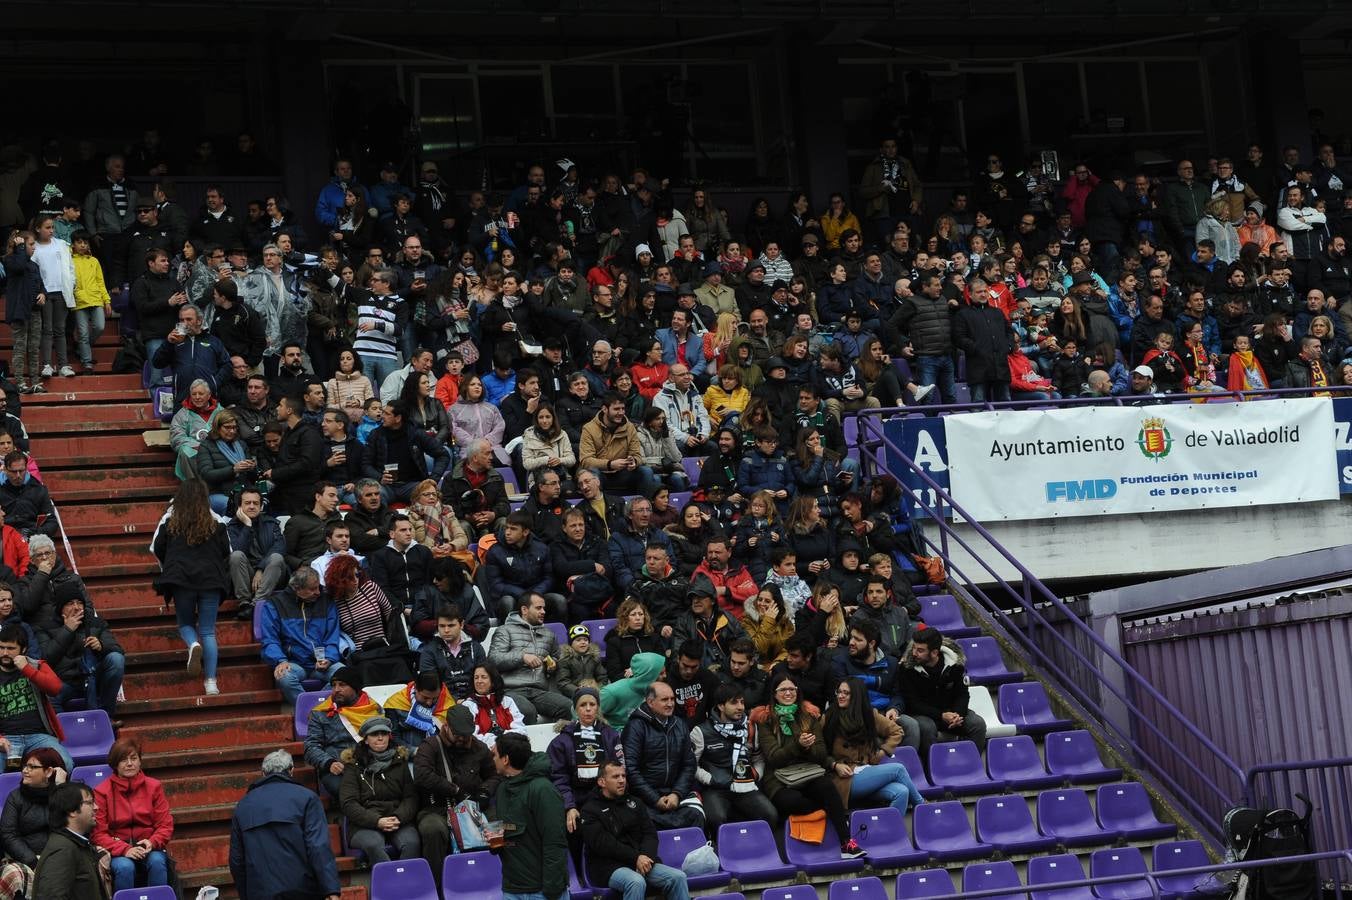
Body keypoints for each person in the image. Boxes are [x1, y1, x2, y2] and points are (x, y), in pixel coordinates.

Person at [756, 674, 865, 860]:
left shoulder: (809, 715)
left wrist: (806, 749)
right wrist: (798, 745)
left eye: (792, 689)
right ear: (774, 694)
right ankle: (831, 812)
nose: (788, 693)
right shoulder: (765, 720)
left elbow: (821, 753)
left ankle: (847, 843)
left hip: (807, 771)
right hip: (778, 777)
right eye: (783, 690)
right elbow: (774, 758)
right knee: (792, 801)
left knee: (828, 787)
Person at [151, 479, 230, 696]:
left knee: (186, 623)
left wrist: (168, 568)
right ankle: (211, 682)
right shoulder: (217, 520)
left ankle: (193, 644)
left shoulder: (170, 518)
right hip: (211, 580)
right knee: (208, 630)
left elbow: (156, 548)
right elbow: (227, 551)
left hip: (181, 579)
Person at [229, 749, 342, 900]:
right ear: (291, 770)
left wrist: (246, 894)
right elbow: (318, 847)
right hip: (303, 889)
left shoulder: (243, 805)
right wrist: (331, 889)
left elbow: (236, 860)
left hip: (259, 891)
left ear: (263, 773)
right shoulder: (307, 798)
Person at [413, 704, 500, 888]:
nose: (462, 738)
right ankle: (437, 887)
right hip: (437, 809)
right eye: (457, 734)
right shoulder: (430, 746)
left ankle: (498, 879)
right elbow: (421, 775)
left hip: (472, 806)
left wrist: (485, 791)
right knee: (433, 830)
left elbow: (493, 775)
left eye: (466, 735)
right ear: (446, 726)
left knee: (497, 823)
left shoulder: (479, 747)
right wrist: (454, 790)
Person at [580, 760, 692, 900]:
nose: (621, 780)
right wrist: (635, 858)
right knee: (636, 882)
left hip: (641, 861)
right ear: (602, 782)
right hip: (608, 867)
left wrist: (645, 858)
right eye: (615, 777)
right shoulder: (589, 810)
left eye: (623, 776)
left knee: (678, 877)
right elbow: (604, 845)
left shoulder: (635, 803)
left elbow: (650, 835)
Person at [823, 676, 925, 816]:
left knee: (902, 792)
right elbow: (817, 750)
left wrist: (883, 751)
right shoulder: (828, 717)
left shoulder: (868, 714)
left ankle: (890, 835)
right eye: (839, 692)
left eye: (846, 693)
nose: (840, 696)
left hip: (866, 770)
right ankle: (924, 808)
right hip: (843, 778)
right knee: (898, 769)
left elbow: (896, 731)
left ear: (857, 696)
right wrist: (834, 765)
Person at [690, 681, 778, 838]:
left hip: (745, 785)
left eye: (742, 702)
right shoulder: (701, 732)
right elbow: (691, 765)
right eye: (734, 702)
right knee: (717, 818)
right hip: (716, 788)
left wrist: (756, 775)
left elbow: (758, 758)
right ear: (721, 706)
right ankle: (724, 856)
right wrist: (710, 779)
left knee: (770, 815)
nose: (740, 707)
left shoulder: (750, 728)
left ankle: (758, 853)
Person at [493, 732, 570, 900]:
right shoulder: (501, 790)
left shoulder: (543, 789)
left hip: (542, 891)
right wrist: (494, 839)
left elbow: (554, 842)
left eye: (495, 755)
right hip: (512, 889)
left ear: (505, 759)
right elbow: (507, 831)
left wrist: (552, 890)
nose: (493, 759)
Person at [90, 738, 173, 893]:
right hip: (117, 849)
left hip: (148, 847)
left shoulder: (154, 786)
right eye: (123, 760)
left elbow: (165, 825)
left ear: (140, 761)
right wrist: (124, 849)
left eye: (133, 758)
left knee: (157, 862)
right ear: (115, 764)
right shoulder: (102, 791)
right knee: (124, 867)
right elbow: (98, 833)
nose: (129, 763)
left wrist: (153, 842)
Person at [621, 680, 705, 830]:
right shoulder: (635, 727)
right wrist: (655, 799)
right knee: (646, 822)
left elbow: (689, 765)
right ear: (650, 702)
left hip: (675, 793)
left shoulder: (679, 724)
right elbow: (630, 769)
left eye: (672, 699)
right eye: (665, 700)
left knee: (695, 815)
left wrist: (677, 794)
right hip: (645, 797)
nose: (670, 704)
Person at [338, 716, 421, 866]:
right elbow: (348, 803)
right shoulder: (353, 765)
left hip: (397, 819)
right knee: (373, 845)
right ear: (365, 739)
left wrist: (399, 817)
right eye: (375, 734)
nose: (380, 738)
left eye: (384, 733)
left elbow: (411, 797)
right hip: (364, 823)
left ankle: (407, 883)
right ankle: (388, 885)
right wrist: (376, 821)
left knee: (412, 843)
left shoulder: (399, 761)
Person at [260, 567, 343, 705]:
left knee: (344, 674)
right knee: (284, 677)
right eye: (312, 589)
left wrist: (329, 657)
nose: (317, 592)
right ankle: (310, 708)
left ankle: (323, 706)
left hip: (323, 662)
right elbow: (270, 639)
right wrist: (280, 660)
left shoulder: (326, 601)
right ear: (296, 588)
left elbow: (332, 636)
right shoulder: (275, 604)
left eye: (318, 587)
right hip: (294, 663)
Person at [548, 686, 625, 832]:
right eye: (583, 705)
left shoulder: (611, 736)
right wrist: (569, 806)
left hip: (607, 799)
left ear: (598, 708)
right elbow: (558, 777)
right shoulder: (562, 741)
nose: (588, 709)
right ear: (576, 709)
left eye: (592, 704)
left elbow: (619, 770)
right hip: (576, 802)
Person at [900, 628, 988, 757]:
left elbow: (962, 694)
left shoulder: (955, 665)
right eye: (914, 648)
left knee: (977, 724)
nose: (914, 653)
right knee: (926, 728)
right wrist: (941, 715)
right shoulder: (907, 669)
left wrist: (957, 715)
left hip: (950, 711)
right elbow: (912, 703)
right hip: (922, 714)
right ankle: (932, 771)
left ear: (934, 652)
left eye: (920, 650)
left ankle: (970, 766)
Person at [41, 586, 125, 718]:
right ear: (60, 608)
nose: (76, 607)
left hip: (94, 678)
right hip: (65, 682)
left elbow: (117, 649)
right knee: (47, 696)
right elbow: (46, 658)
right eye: (70, 603)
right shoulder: (46, 627)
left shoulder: (95, 623)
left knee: (116, 659)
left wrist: (101, 646)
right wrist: (67, 630)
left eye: (79, 603)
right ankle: (64, 731)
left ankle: (106, 717)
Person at [489, 593, 571, 724]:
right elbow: (493, 659)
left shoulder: (549, 635)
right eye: (538, 608)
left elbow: (557, 658)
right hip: (510, 690)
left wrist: (553, 665)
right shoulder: (505, 630)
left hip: (538, 691)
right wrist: (522, 657)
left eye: (544, 608)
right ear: (524, 610)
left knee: (570, 708)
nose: (543, 612)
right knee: (527, 712)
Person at [0, 624, 71, 772]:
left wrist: (27, 669)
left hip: (39, 737)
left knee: (65, 764)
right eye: (1, 648)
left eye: (11, 648)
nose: (4, 653)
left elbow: (55, 688)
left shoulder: (36, 666)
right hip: (6, 739)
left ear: (23, 649)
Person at [0, 747, 67, 897]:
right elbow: (8, 834)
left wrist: (60, 790)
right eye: (25, 765)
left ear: (49, 772)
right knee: (13, 874)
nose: (25, 770)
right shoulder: (16, 797)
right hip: (26, 860)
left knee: (100, 856)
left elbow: (71, 828)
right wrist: (33, 862)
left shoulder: (67, 795)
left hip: (60, 856)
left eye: (32, 767)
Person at [30, 781, 108, 900]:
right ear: (71, 810)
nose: (96, 808)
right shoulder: (63, 851)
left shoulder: (76, 844)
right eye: (90, 803)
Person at [485, 513, 563, 623]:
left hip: (537, 593)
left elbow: (549, 577)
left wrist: (535, 593)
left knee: (559, 601)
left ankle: (557, 635)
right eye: (506, 528)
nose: (507, 532)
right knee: (507, 602)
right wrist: (523, 595)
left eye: (513, 529)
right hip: (512, 596)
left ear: (525, 532)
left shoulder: (542, 548)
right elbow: (496, 585)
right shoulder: (495, 552)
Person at [579, 393, 659, 498]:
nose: (621, 413)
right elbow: (586, 460)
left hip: (623, 473)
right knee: (592, 473)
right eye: (616, 409)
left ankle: (645, 507)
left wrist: (634, 461)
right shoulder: (589, 429)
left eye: (623, 409)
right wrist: (609, 464)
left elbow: (637, 455)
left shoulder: (630, 427)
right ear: (604, 409)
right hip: (601, 474)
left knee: (646, 471)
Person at [226, 487, 287, 621]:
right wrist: (247, 526)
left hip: (270, 573)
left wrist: (261, 568)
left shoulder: (271, 523)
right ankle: (244, 603)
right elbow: (238, 550)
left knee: (277, 558)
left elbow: (280, 547)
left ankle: (255, 604)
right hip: (246, 575)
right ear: (239, 506)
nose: (252, 506)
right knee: (235, 556)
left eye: (256, 503)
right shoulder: (232, 526)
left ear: (261, 506)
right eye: (247, 503)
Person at [671, 575, 748, 669]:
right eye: (693, 597)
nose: (695, 601)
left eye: (700, 597)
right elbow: (677, 652)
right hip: (697, 672)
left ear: (712, 600)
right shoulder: (684, 621)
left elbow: (745, 643)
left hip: (729, 670)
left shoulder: (727, 618)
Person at [418, 605, 485, 700]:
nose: (446, 630)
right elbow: (430, 686)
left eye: (451, 625)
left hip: (475, 701)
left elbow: (483, 680)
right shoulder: (429, 651)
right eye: (442, 626)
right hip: (443, 703)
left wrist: (470, 701)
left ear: (461, 625)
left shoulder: (476, 648)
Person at [382, 670, 454, 752]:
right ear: (415, 688)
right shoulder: (395, 703)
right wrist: (416, 752)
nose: (429, 703)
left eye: (434, 698)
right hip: (407, 755)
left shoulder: (448, 703)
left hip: (440, 753)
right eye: (425, 698)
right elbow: (392, 737)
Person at [462, 661, 527, 750]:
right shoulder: (468, 705)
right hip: (484, 754)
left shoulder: (507, 701)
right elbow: (471, 737)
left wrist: (502, 742)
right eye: (476, 678)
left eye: (483, 677)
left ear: (493, 681)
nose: (479, 681)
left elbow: (521, 730)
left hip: (509, 751)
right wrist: (495, 742)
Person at [604, 600, 667, 683]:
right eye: (633, 614)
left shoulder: (653, 637)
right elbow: (614, 675)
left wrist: (638, 670)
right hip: (628, 685)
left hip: (654, 682)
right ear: (625, 618)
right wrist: (631, 675)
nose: (638, 618)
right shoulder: (614, 641)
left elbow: (662, 663)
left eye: (641, 614)